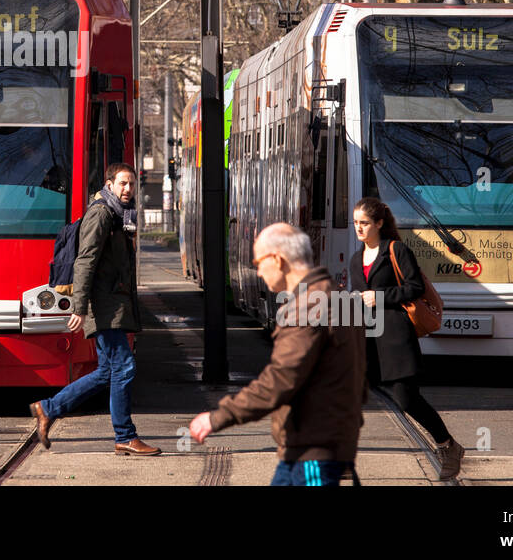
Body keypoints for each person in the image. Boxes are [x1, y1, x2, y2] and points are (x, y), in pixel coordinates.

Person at [189, 222, 366, 485]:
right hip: (324, 442)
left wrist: (218, 417)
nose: (258, 271)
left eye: (259, 261)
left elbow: (281, 379)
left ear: (277, 259)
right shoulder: (339, 297)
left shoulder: (306, 308)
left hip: (311, 449)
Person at [29, 163, 159, 456]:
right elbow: (85, 261)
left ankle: (48, 408)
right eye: (123, 183)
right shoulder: (101, 214)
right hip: (105, 305)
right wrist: (80, 306)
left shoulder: (117, 214)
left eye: (131, 184)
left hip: (113, 302)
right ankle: (125, 436)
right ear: (109, 184)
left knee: (107, 372)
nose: (128, 189)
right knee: (124, 367)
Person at [350, 196, 464, 480]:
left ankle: (447, 445)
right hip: (366, 339)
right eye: (355, 223)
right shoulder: (355, 258)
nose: (359, 229)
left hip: (396, 337)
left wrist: (379, 297)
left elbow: (414, 288)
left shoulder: (396, 250)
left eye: (364, 223)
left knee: (406, 400)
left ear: (378, 223)